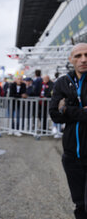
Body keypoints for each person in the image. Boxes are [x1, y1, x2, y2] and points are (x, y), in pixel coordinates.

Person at [49, 43, 87, 219]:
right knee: (79, 203)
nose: (83, 59)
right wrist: (81, 111)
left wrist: (67, 109)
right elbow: (55, 114)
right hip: (71, 155)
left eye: (86, 55)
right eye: (78, 56)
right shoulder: (62, 82)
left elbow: (62, 111)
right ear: (71, 59)